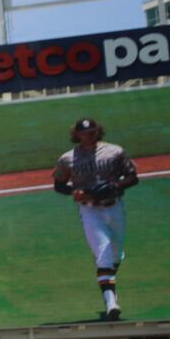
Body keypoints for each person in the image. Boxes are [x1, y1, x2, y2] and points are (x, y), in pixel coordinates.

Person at [51, 116, 138, 321]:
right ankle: (111, 303)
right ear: (77, 135)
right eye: (84, 133)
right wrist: (76, 191)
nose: (88, 136)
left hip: (114, 206)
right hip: (89, 210)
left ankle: (113, 265)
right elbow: (59, 184)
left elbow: (133, 177)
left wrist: (116, 186)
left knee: (114, 255)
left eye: (91, 132)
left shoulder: (114, 151)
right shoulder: (67, 158)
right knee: (104, 253)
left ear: (97, 132)